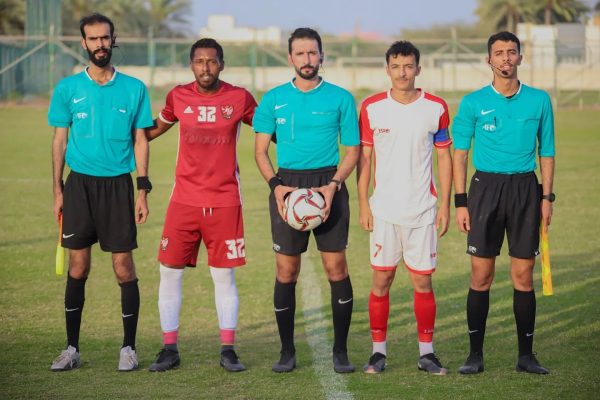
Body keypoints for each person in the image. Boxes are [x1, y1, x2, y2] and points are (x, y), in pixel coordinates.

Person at [145, 38, 257, 372]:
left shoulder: (240, 98)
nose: (205, 67)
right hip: (184, 200)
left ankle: (228, 350)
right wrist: (120, 131)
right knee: (169, 272)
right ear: (191, 65)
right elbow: (152, 130)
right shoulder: (178, 97)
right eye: (199, 61)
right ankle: (169, 349)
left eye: (211, 61)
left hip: (225, 201)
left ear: (222, 64)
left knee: (223, 276)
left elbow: (270, 130)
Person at [49, 13, 153, 372]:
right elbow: (59, 140)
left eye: (105, 38)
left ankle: (129, 348)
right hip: (79, 186)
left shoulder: (134, 88)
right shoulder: (67, 89)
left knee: (123, 267)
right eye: (93, 39)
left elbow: (141, 140)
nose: (100, 44)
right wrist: (58, 190)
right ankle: (71, 349)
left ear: (113, 39)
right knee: (78, 266)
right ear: (84, 43)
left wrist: (142, 189)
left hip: (118, 186)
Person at [253, 27, 360, 373]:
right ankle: (287, 351)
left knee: (336, 268)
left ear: (321, 55)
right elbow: (260, 151)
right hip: (288, 185)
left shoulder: (341, 98)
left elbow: (353, 150)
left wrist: (333, 185)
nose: (307, 59)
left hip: (328, 184)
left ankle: (340, 351)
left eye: (312, 52)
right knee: (286, 271)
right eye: (300, 53)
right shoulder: (273, 99)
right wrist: (276, 186)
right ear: (290, 58)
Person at [453, 31, 555, 375]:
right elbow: (460, 154)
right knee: (481, 274)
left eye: (512, 52)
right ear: (489, 60)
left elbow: (547, 151)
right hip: (485, 189)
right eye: (499, 53)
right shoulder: (472, 103)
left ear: (520, 58)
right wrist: (461, 203)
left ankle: (526, 356)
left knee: (523, 275)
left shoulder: (539, 100)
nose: (506, 58)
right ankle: (474, 356)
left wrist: (547, 197)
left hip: (525, 189)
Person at [357, 41, 452, 375]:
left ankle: (427, 353)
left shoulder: (436, 108)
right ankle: (378, 353)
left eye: (408, 66)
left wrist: (444, 205)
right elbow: (365, 158)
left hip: (423, 211)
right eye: (396, 66)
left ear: (418, 69)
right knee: (381, 280)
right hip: (383, 211)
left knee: (422, 283)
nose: (402, 73)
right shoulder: (372, 107)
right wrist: (363, 203)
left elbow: (444, 156)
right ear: (387, 69)